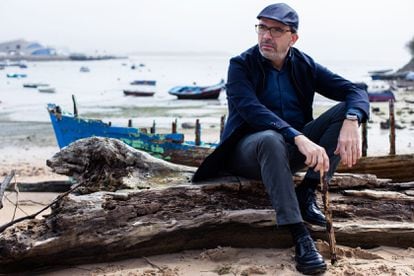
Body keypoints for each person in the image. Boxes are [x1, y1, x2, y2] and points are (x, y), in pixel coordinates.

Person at [192, 3, 370, 275]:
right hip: (247, 152)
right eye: (262, 27)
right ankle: (299, 234)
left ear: (293, 37)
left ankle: (306, 191)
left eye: (276, 30)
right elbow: (253, 111)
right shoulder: (240, 65)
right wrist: (297, 136)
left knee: (344, 110)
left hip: (292, 151)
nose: (266, 35)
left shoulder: (304, 64)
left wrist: (353, 119)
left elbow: (355, 91)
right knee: (270, 138)